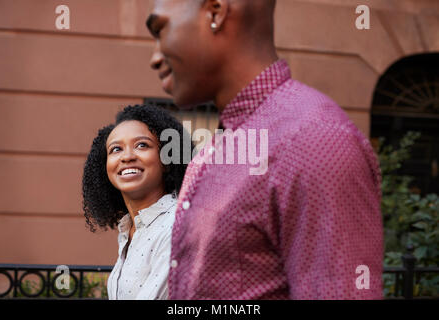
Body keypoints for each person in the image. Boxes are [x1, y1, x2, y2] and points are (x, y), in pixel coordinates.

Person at [146, 0, 384, 299]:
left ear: (216, 12)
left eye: (160, 30)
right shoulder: (216, 149)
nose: (154, 58)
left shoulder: (314, 141)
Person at [82, 104, 191, 299]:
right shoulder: (131, 229)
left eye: (142, 145)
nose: (127, 157)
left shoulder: (176, 226)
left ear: (167, 159)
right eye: (116, 149)